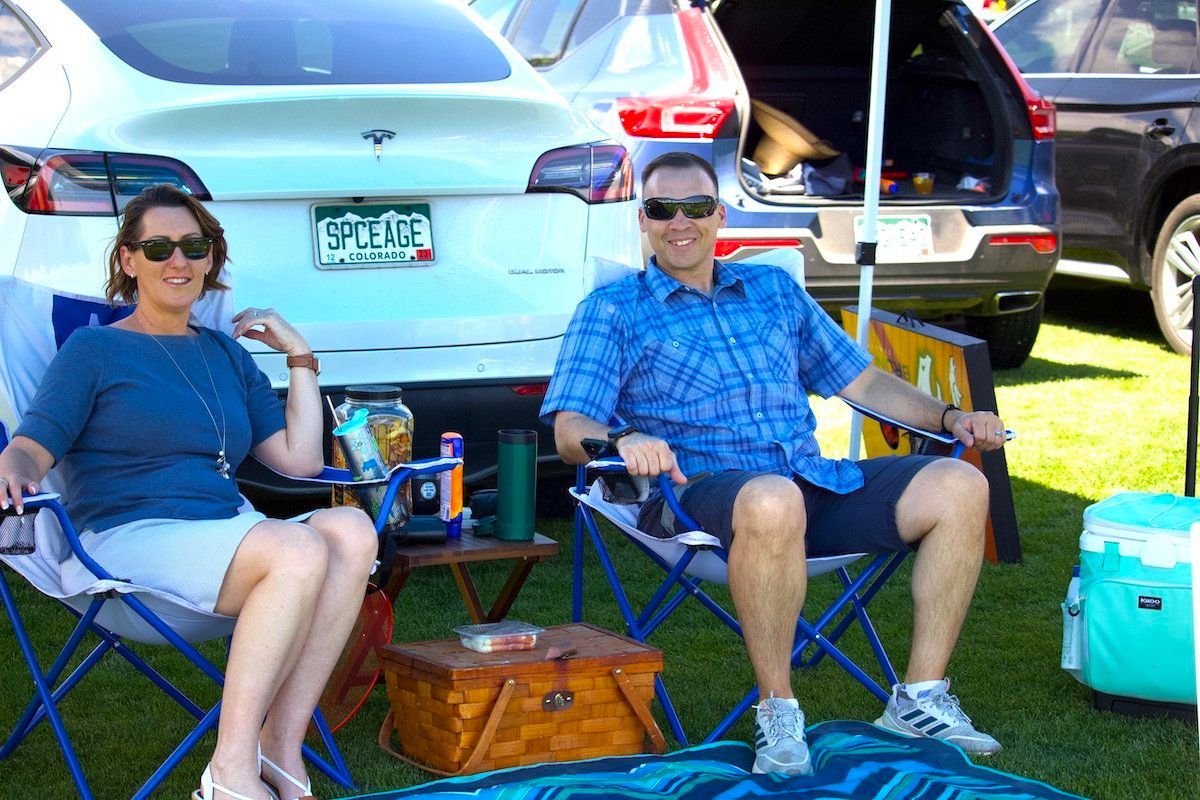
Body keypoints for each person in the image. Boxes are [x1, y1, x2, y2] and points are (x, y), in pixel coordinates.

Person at [540, 152, 1008, 776]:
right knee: (770, 497)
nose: (679, 221)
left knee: (960, 483)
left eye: (695, 206)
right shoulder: (613, 310)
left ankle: (918, 700)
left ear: (719, 215)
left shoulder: (773, 289)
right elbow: (570, 428)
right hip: (695, 496)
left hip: (810, 483)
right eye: (661, 208)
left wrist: (950, 418)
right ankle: (777, 711)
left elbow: (862, 382)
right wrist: (623, 439)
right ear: (642, 221)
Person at [0, 184, 377, 800]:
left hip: (226, 534)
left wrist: (299, 357)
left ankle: (280, 747)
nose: (177, 261)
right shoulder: (95, 350)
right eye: (158, 248)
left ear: (209, 259)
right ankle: (228, 773)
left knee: (352, 531)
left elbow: (300, 460)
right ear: (129, 260)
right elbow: (31, 446)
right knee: (297, 548)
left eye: (193, 247)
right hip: (126, 543)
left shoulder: (224, 353)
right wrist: (11, 468)